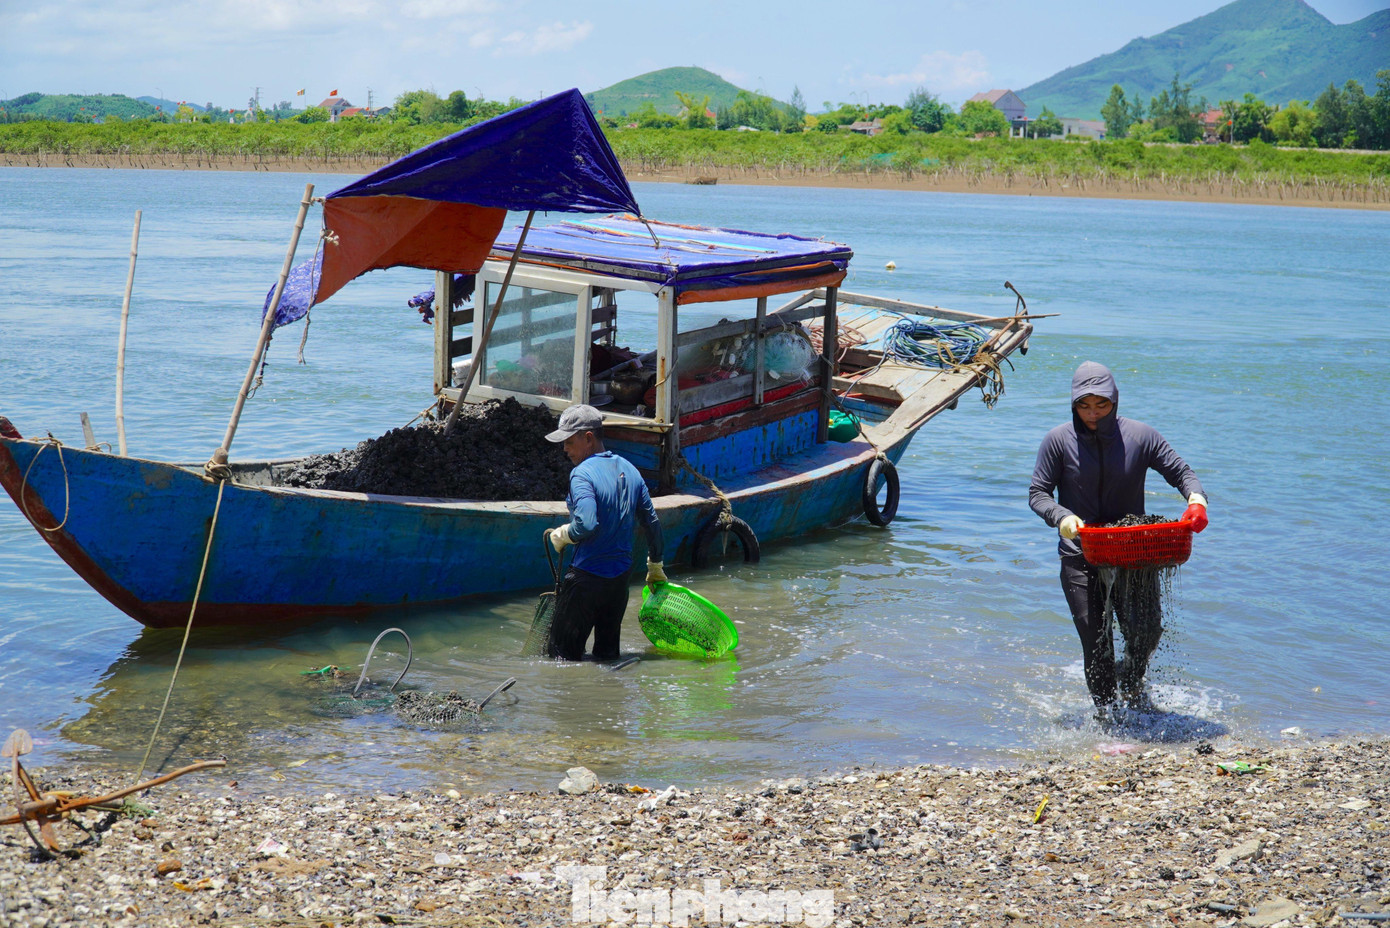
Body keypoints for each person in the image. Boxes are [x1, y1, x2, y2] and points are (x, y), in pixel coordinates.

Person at [1029, 361, 1209, 709]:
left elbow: (1182, 472)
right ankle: (1108, 721)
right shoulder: (1058, 441)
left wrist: (1196, 500)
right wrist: (1061, 516)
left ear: (1115, 400)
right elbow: (1038, 493)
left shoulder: (1141, 436)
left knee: (1147, 633)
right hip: (1080, 554)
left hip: (1132, 551)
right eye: (1083, 405)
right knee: (1095, 642)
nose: (1092, 413)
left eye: (1101, 404)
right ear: (1073, 403)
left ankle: (1129, 679)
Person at [545, 404, 665, 661]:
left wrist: (565, 533)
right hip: (619, 582)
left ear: (588, 438)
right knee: (608, 657)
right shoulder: (631, 471)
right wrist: (655, 565)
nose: (564, 449)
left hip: (586, 579)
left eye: (568, 441)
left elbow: (586, 524)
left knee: (560, 660)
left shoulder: (581, 474)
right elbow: (652, 523)